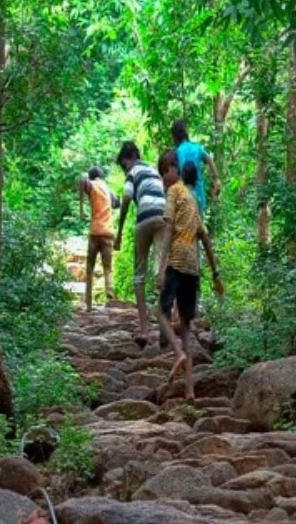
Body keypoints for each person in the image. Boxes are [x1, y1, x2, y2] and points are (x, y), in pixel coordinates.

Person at [156, 151, 223, 403]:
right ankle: (190, 390)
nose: (164, 177)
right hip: (193, 267)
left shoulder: (174, 192)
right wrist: (216, 274)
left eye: (165, 171)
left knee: (161, 312)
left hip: (176, 260)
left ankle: (177, 353)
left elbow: (168, 227)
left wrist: (161, 268)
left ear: (174, 169)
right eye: (162, 173)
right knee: (185, 326)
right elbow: (205, 239)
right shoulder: (193, 199)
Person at [114, 141, 166, 345]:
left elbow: (126, 198)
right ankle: (164, 327)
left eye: (123, 164)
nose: (125, 168)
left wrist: (119, 232)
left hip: (144, 219)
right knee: (160, 270)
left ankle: (144, 330)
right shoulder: (154, 170)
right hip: (163, 217)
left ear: (127, 159)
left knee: (139, 274)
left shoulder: (133, 172)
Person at [78, 166, 118, 311]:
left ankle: (88, 304)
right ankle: (110, 297)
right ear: (101, 176)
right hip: (108, 233)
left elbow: (82, 180)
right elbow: (117, 203)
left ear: (93, 177)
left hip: (95, 232)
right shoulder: (109, 190)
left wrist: (81, 207)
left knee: (89, 269)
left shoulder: (92, 185)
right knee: (108, 268)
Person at [172, 119, 221, 215]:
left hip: (184, 196)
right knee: (199, 224)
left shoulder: (176, 152)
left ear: (174, 137)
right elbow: (209, 159)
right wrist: (216, 179)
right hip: (199, 195)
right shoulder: (197, 148)